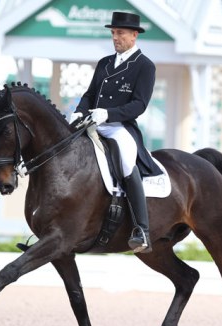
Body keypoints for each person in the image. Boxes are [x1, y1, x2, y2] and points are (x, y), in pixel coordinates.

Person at [69, 11, 161, 254]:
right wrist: (80, 111)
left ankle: (142, 229)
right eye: (113, 33)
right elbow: (90, 94)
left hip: (120, 126)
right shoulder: (105, 63)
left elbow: (139, 105)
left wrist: (108, 113)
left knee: (126, 161)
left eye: (120, 33)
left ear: (133, 35)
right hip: (93, 122)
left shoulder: (145, 66)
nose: (115, 37)